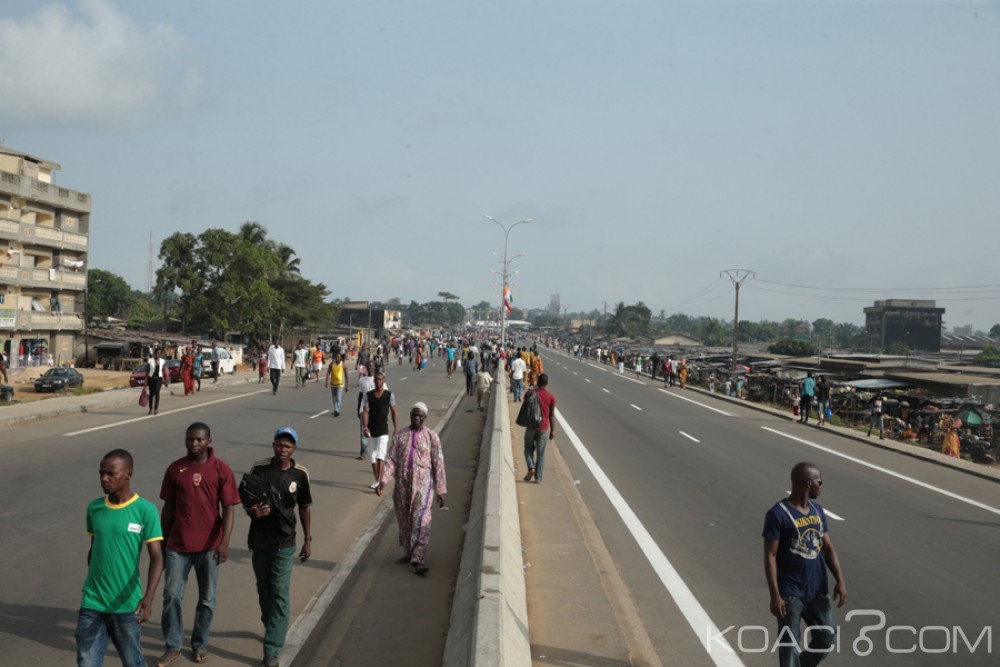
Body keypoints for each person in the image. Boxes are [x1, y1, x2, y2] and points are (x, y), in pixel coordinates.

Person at [157, 423, 240, 667]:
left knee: (207, 599)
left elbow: (229, 508)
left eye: (199, 440)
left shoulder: (221, 469)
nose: (193, 444)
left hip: (209, 547)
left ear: (209, 441)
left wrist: (224, 542)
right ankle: (173, 646)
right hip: (178, 546)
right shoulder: (175, 469)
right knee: (171, 596)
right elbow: (168, 508)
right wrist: (162, 543)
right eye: (189, 439)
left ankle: (199, 643)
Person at [76, 449, 164, 667]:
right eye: (101, 473)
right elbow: (95, 549)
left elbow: (157, 558)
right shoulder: (94, 508)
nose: (104, 479)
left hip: (127, 606)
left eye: (110, 473)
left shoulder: (146, 510)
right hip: (92, 603)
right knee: (87, 662)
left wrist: (149, 598)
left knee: (132, 662)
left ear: (128, 474)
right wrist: (95, 581)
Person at [763, 462, 847, 667]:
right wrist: (775, 595)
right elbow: (770, 556)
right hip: (790, 593)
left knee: (827, 637)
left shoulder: (817, 511)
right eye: (820, 482)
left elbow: (827, 547)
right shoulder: (777, 513)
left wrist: (840, 580)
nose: (822, 486)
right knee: (790, 646)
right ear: (809, 483)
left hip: (817, 590)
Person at [244, 428, 312, 667]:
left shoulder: (300, 474)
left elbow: (304, 506)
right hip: (260, 540)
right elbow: (246, 500)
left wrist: (308, 539)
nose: (282, 450)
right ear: (273, 445)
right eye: (279, 445)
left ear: (294, 449)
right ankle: (271, 622)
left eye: (287, 446)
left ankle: (271, 649)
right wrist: (252, 511)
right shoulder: (259, 469)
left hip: (285, 542)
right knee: (264, 590)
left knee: (280, 592)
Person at [376, 402, 447, 575]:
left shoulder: (432, 437)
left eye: (420, 415)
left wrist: (441, 490)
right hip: (402, 486)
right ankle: (408, 552)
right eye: (414, 414)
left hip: (423, 487)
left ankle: (418, 559)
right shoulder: (400, 436)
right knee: (405, 520)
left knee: (421, 520)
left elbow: (438, 463)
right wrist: (383, 480)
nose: (416, 418)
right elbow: (391, 459)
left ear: (425, 417)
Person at [362, 371, 398, 490]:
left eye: (380, 379)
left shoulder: (389, 395)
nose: (378, 381)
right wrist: (365, 427)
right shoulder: (368, 395)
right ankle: (377, 479)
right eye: (376, 379)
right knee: (373, 457)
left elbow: (393, 412)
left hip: (383, 430)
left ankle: (379, 481)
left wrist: (396, 429)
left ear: (384, 381)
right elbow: (366, 411)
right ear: (374, 381)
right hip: (372, 430)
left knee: (380, 456)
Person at [522, 373, 556, 483]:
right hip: (544, 428)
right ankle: (538, 478)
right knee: (541, 454)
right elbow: (551, 415)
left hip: (531, 426)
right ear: (546, 383)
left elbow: (525, 403)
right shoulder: (551, 397)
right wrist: (552, 431)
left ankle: (531, 466)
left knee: (528, 448)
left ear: (538, 382)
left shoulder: (530, 393)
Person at [148, 348, 169, 416]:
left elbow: (164, 371)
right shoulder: (150, 360)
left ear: (160, 354)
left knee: (157, 392)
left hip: (159, 379)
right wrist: (145, 382)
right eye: (156, 353)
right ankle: (151, 409)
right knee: (151, 394)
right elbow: (147, 371)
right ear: (154, 353)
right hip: (151, 378)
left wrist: (166, 380)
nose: (157, 354)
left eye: (159, 353)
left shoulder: (162, 361)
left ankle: (156, 409)